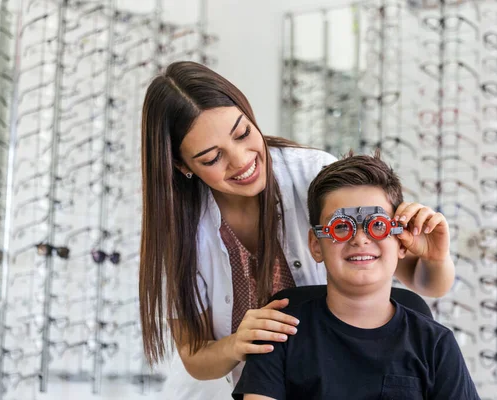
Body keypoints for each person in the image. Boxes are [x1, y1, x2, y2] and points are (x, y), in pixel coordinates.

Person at [139, 61, 456, 399]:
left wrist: (435, 256)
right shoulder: (177, 231)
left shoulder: (314, 175)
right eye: (212, 157)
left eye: (243, 133)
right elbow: (194, 356)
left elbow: (425, 283)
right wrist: (236, 344)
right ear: (181, 165)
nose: (242, 160)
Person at [232, 153, 479, 400]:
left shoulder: (435, 344)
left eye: (377, 225)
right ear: (316, 245)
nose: (360, 238)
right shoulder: (279, 332)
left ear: (402, 242)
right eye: (341, 226)